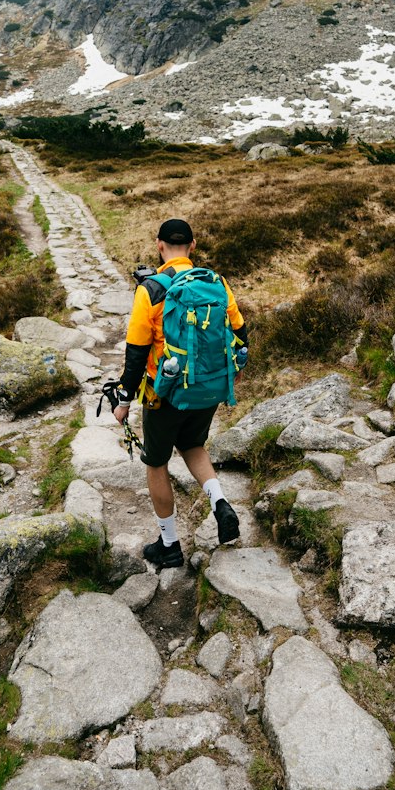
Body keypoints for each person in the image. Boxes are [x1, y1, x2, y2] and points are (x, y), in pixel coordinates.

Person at [112, 217, 248, 569]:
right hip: (209, 389)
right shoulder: (216, 283)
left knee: (156, 462)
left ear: (159, 245)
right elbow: (240, 334)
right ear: (193, 245)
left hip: (165, 394)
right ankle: (220, 503)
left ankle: (169, 545)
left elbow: (136, 354)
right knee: (192, 445)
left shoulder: (151, 290)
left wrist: (124, 401)